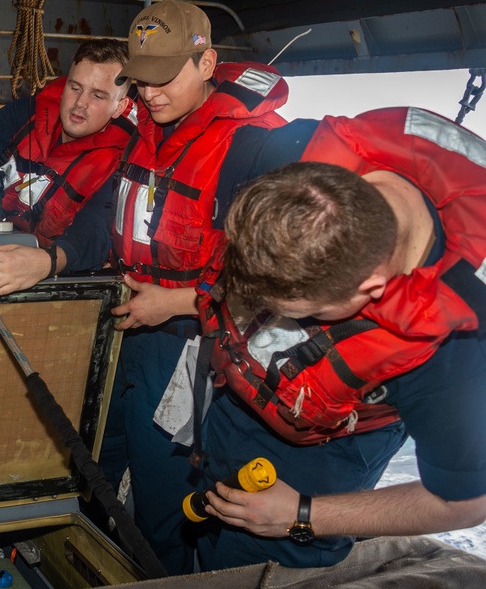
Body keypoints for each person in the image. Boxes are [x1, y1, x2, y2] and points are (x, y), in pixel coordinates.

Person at [181, 108, 486, 571]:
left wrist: (302, 515)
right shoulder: (293, 149)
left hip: (329, 449)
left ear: (372, 289)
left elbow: (466, 500)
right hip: (242, 399)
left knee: (257, 569)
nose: (272, 320)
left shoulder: (454, 356)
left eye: (301, 313)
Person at [96, 0, 290, 574]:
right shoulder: (145, 130)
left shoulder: (256, 146)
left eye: (165, 78)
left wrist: (176, 303)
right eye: (141, 79)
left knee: (165, 501)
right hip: (132, 330)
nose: (150, 94)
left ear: (207, 63)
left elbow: (283, 279)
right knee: (100, 464)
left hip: (193, 344)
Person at [0, 38, 137, 295]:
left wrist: (47, 262)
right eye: (75, 88)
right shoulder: (28, 112)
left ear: (119, 106)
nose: (80, 103)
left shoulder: (126, 158)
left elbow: (97, 229)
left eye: (98, 95)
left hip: (58, 283)